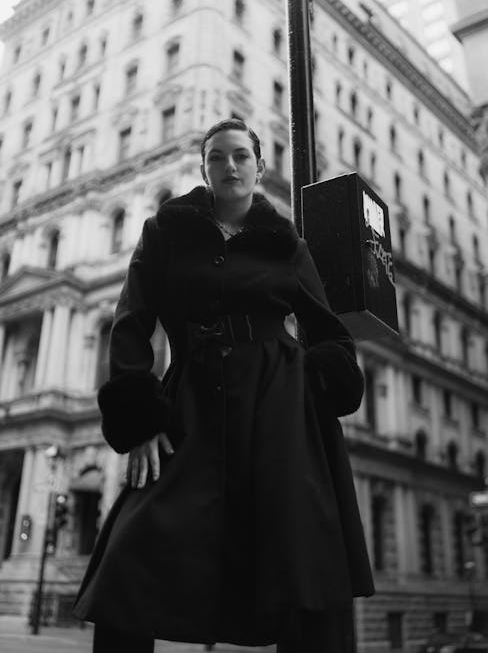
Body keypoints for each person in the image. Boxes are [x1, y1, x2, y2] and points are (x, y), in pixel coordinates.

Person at [72, 118, 374, 652]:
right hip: (188, 399)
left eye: (240, 156)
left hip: (280, 403)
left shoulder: (287, 243)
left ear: (259, 165)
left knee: (303, 558)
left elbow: (329, 331)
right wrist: (138, 415)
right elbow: (131, 320)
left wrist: (318, 386)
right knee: (131, 549)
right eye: (217, 157)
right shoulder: (166, 230)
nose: (229, 166)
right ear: (205, 169)